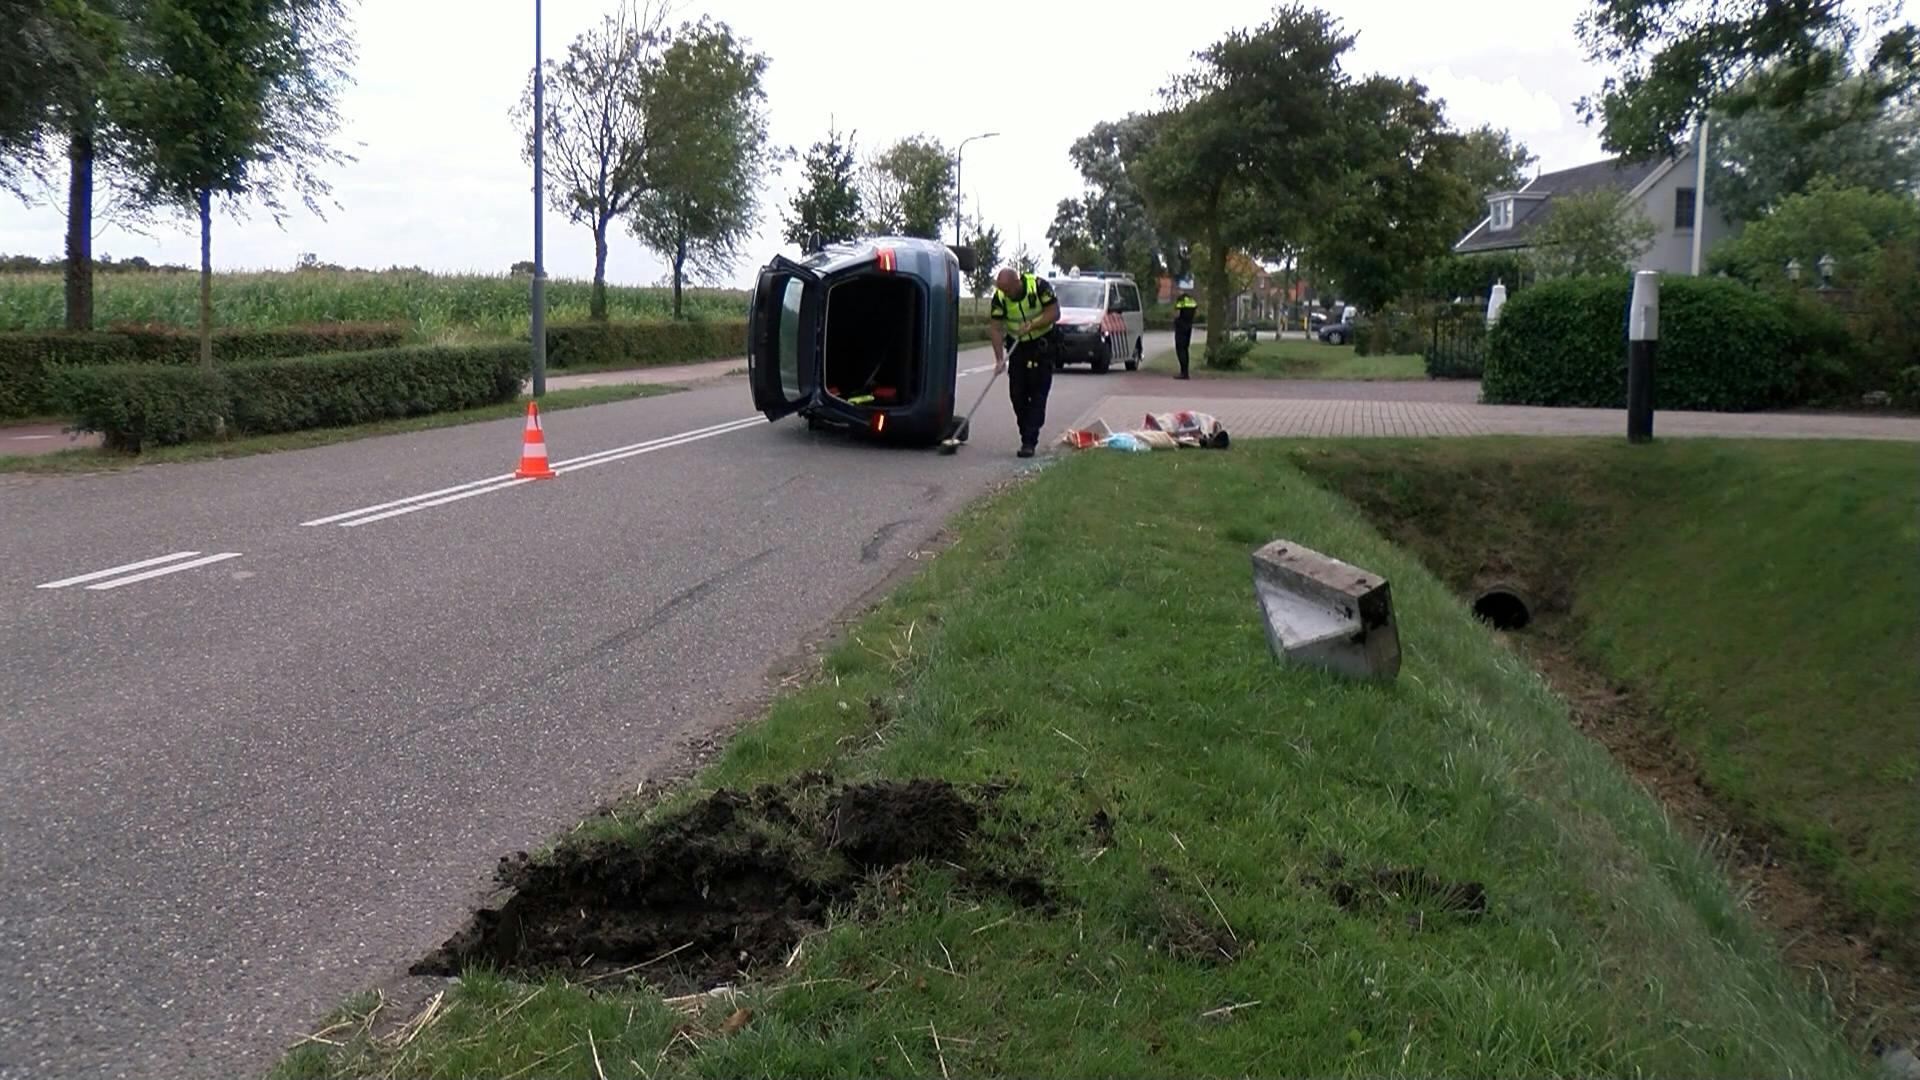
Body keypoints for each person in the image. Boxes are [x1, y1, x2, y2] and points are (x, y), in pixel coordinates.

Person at [988, 267, 1061, 458]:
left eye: (1007, 289)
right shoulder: (1000, 298)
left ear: (1016, 282)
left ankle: (1029, 441)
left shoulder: (1038, 286)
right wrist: (999, 359)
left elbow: (1054, 313)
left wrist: (1033, 324)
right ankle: (1026, 431)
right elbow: (995, 328)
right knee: (1017, 393)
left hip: (1041, 345)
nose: (1005, 293)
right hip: (1017, 347)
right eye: (1001, 289)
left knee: (1038, 392)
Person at [1171, 292, 1198, 379]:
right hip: (1188, 327)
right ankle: (1185, 372)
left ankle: (1183, 373)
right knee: (1185, 349)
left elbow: (1177, 314)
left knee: (1180, 349)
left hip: (1180, 327)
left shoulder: (1180, 301)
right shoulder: (1192, 301)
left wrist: (1174, 317)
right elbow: (1196, 313)